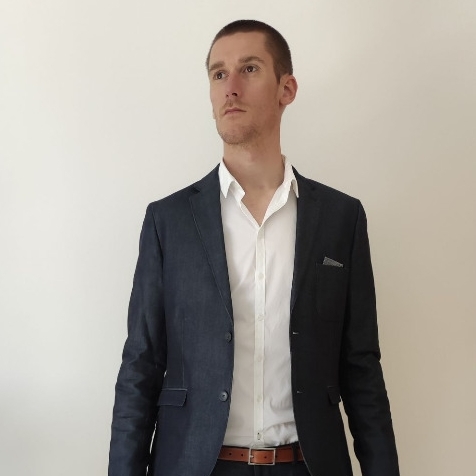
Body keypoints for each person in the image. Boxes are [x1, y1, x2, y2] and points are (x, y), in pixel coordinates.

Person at [109, 19, 399, 476]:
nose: (231, 87)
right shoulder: (169, 221)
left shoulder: (341, 218)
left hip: (307, 465)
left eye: (249, 69)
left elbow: (362, 368)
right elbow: (140, 366)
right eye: (218, 74)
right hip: (196, 466)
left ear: (287, 89)